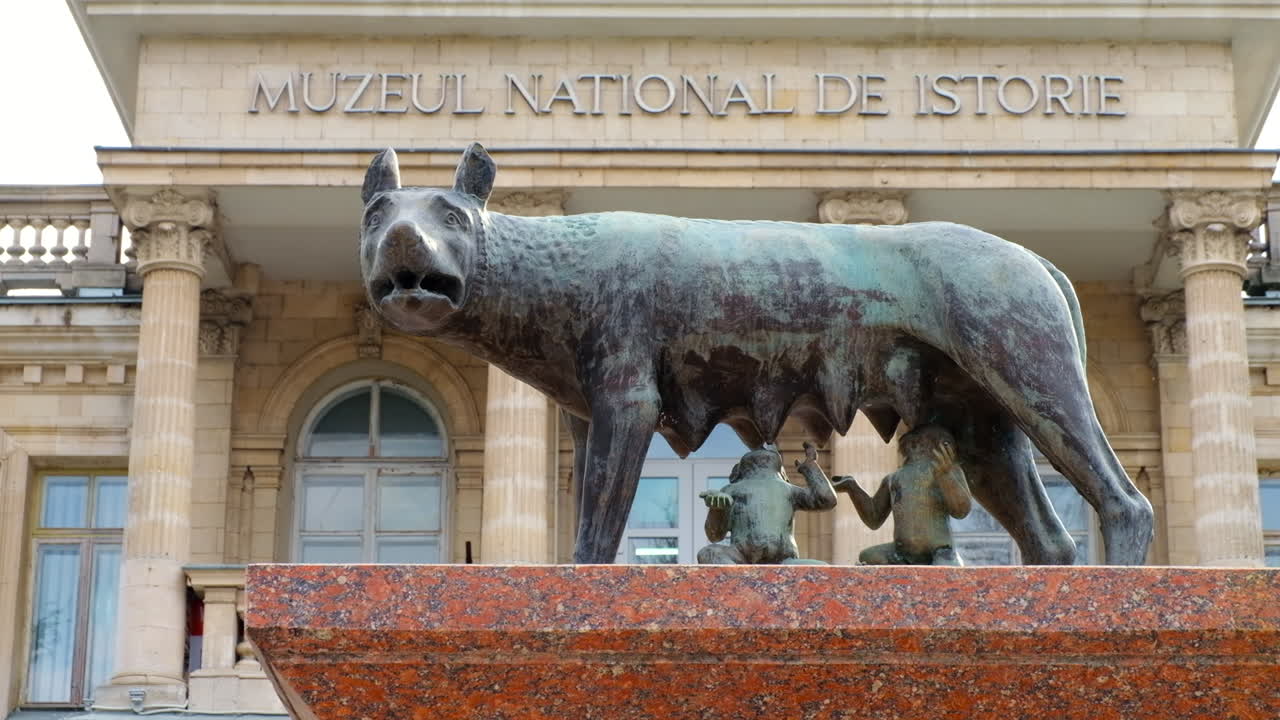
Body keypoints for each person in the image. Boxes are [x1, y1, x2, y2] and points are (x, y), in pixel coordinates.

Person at [833, 424, 971, 566]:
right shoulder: (893, 479)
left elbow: (961, 510)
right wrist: (852, 487)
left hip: (940, 551)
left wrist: (946, 477)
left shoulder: (949, 471)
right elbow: (873, 518)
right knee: (868, 556)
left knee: (947, 570)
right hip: (902, 553)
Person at [697, 442, 837, 564]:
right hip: (740, 558)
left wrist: (810, 467)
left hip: (785, 561)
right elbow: (714, 535)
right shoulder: (731, 490)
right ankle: (741, 583)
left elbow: (826, 500)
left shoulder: (787, 489)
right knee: (708, 553)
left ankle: (744, 582)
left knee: (821, 570)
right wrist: (717, 509)